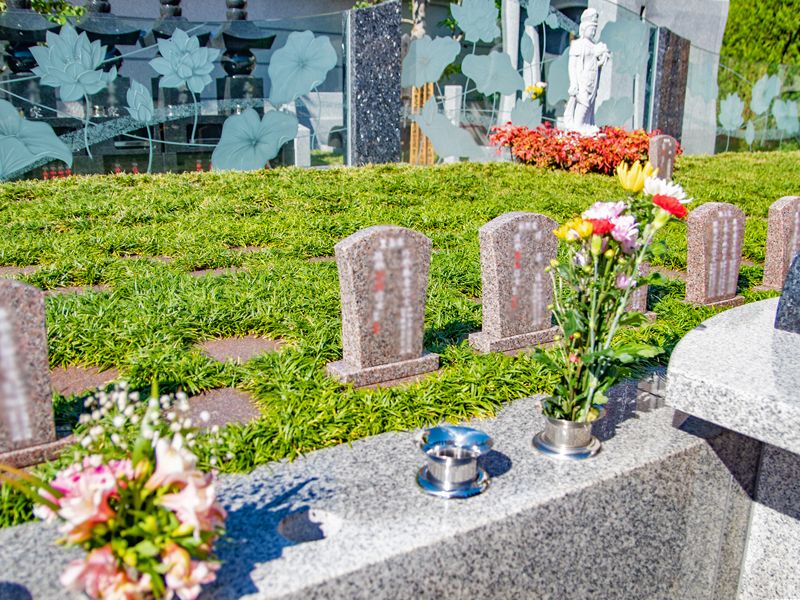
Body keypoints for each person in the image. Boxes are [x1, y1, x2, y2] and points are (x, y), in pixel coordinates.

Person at [563, 8, 610, 133]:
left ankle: (586, 124)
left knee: (590, 103)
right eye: (591, 29)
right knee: (583, 102)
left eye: (595, 29)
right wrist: (574, 82)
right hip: (582, 79)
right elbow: (572, 65)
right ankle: (578, 126)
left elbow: (596, 63)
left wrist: (602, 57)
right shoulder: (578, 44)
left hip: (592, 80)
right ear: (583, 29)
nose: (593, 32)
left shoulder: (594, 45)